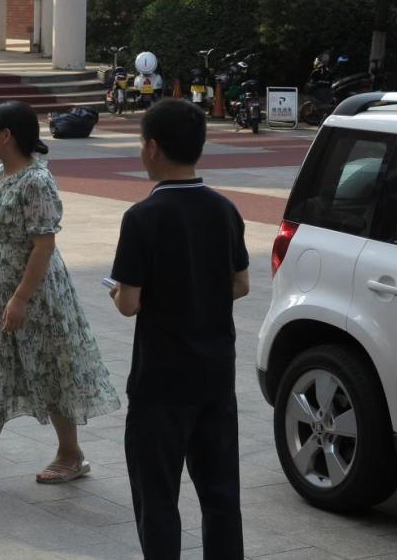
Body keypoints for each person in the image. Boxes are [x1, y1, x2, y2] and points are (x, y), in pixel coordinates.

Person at [0, 102, 120, 495]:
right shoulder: (1, 174)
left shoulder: (36, 181)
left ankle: (70, 454)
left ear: (7, 136)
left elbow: (43, 246)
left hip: (37, 294)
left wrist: (20, 298)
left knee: (50, 369)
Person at [109, 99, 249, 559]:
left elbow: (128, 303)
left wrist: (122, 292)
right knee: (221, 495)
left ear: (152, 147)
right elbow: (241, 284)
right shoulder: (224, 209)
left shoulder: (142, 217)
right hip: (215, 375)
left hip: (161, 380)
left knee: (158, 498)